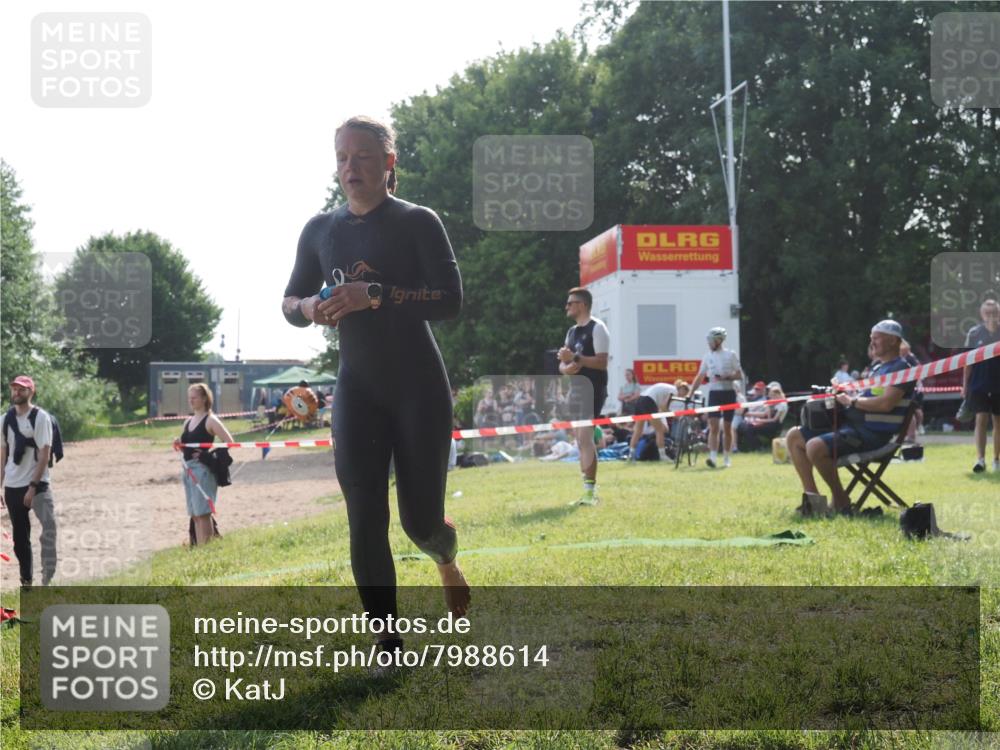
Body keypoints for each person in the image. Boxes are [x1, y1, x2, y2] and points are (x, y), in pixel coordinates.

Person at [281, 115, 470, 660]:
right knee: (364, 515)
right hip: (357, 391)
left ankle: (445, 557)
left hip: (418, 389)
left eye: (362, 157)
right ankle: (386, 642)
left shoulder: (418, 222)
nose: (349, 168)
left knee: (420, 522)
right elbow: (289, 302)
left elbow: (450, 300)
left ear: (388, 163)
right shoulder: (321, 230)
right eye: (342, 157)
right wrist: (310, 306)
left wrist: (377, 295)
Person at [786, 320, 916, 514]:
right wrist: (843, 393)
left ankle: (841, 500)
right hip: (854, 427)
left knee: (814, 446)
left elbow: (885, 404)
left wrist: (851, 402)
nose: (872, 343)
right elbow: (866, 397)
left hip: (873, 435)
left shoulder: (901, 369)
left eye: (877, 338)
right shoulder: (877, 369)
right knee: (793, 436)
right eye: (871, 338)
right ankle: (813, 502)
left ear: (893, 341)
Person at [1, 376, 57, 588]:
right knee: (20, 538)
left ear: (31, 392)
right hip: (13, 487)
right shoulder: (4, 420)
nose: (16, 392)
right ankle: (27, 581)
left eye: (21, 389)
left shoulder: (40, 417)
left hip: (38, 484)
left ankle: (48, 578)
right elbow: (2, 455)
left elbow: (45, 454)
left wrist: (32, 487)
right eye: (14, 388)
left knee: (50, 527)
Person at [557, 287, 610, 506]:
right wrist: (565, 368)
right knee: (580, 440)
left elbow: (601, 362)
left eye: (571, 303)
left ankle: (590, 492)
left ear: (582, 305)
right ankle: (586, 490)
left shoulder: (598, 328)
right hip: (576, 390)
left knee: (586, 439)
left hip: (593, 389)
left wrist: (575, 358)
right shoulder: (572, 332)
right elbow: (564, 363)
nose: (567, 306)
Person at [172, 383, 234, 545]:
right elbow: (186, 443)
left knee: (203, 512)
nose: (191, 400)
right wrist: (179, 443)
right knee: (194, 513)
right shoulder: (188, 421)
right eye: (189, 397)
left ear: (205, 398)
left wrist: (208, 456)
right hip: (187, 469)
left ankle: (206, 551)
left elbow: (229, 442)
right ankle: (200, 550)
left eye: (194, 397)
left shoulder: (211, 420)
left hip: (203, 471)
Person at [690, 327, 745, 468]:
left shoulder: (730, 355)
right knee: (713, 426)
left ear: (719, 341)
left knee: (727, 427)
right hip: (714, 393)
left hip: (728, 393)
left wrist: (727, 377)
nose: (709, 343)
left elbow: (740, 375)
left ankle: (726, 457)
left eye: (711, 341)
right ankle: (713, 457)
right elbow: (700, 376)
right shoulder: (707, 356)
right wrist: (690, 393)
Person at [964, 298, 1000, 472]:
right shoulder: (974, 333)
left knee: (998, 422)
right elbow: (967, 362)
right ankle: (980, 460)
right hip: (978, 384)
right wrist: (965, 385)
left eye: (994, 312)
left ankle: (997, 460)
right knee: (981, 419)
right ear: (981, 314)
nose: (991, 316)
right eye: (988, 313)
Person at [628, 381, 677, 461]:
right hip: (649, 401)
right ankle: (662, 455)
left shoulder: (666, 388)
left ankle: (631, 455)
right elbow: (664, 407)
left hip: (640, 400)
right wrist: (674, 415)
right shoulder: (674, 391)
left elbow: (661, 406)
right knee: (659, 430)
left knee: (638, 431)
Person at [737, 381, 788, 452]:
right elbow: (767, 415)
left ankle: (758, 447)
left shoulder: (782, 404)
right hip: (769, 422)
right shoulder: (772, 402)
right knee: (747, 426)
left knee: (750, 428)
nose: (769, 393)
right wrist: (768, 407)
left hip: (775, 425)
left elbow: (774, 420)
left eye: (771, 391)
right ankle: (749, 447)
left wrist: (760, 421)